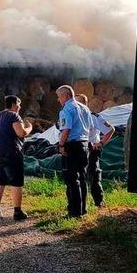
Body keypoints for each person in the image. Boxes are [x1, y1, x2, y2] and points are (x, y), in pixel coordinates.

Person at [0, 95, 32, 221]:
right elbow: (21, 133)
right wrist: (29, 128)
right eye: (19, 104)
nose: (20, 107)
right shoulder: (14, 115)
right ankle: (17, 212)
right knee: (16, 182)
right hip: (10, 153)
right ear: (13, 104)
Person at [56, 86, 91, 217]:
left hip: (71, 145)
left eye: (59, 96)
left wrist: (61, 144)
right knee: (82, 178)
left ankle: (74, 212)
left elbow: (66, 129)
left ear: (66, 95)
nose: (58, 99)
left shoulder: (66, 109)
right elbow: (91, 128)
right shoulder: (85, 108)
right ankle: (83, 209)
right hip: (84, 145)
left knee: (72, 179)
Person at [75, 94, 115, 207]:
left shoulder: (93, 117)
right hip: (78, 148)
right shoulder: (73, 116)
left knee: (94, 176)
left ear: (85, 104)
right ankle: (80, 204)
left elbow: (110, 130)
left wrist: (101, 143)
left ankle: (99, 202)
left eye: (79, 103)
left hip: (92, 148)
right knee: (78, 177)